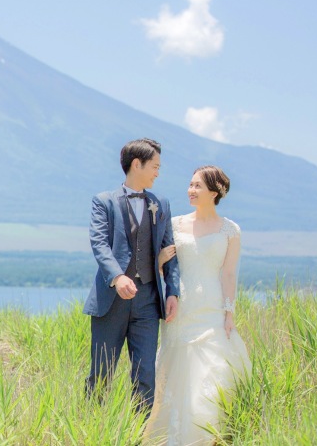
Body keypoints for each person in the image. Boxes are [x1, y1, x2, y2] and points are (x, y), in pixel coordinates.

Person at [144, 165, 252, 445]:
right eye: (190, 185)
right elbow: (158, 265)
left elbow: (228, 274)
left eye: (197, 186)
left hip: (212, 309)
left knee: (212, 373)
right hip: (180, 306)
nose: (190, 190)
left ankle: (206, 435)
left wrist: (229, 312)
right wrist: (160, 261)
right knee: (177, 367)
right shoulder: (175, 223)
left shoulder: (231, 230)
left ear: (215, 192)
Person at [83, 138, 180, 414]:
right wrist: (117, 276)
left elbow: (169, 250)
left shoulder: (160, 203)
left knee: (145, 376)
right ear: (137, 164)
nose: (158, 173)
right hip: (111, 302)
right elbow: (99, 244)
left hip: (148, 302)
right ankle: (93, 432)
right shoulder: (104, 202)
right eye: (155, 166)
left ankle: (139, 436)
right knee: (100, 375)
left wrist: (172, 291)